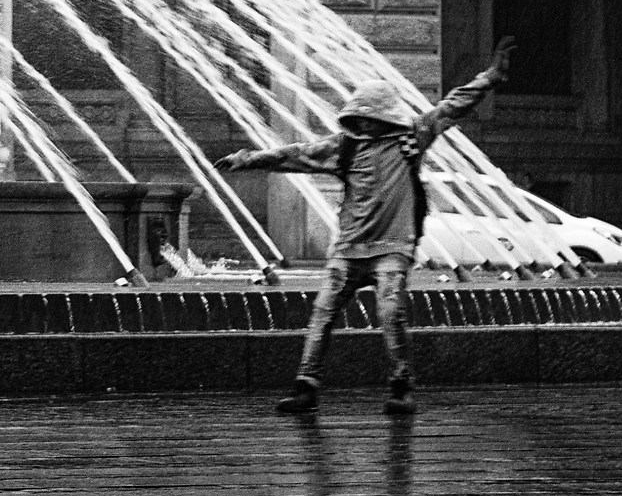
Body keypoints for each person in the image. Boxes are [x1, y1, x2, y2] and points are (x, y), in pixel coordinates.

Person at [217, 38, 516, 417]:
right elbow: (293, 154)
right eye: (358, 117)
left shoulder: (412, 137)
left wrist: (490, 76)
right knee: (323, 313)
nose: (361, 122)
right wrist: (247, 159)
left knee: (391, 313)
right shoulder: (344, 147)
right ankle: (306, 386)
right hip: (349, 249)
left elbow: (454, 105)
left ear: (383, 116)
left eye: (367, 116)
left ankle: (401, 384)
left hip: (392, 247)